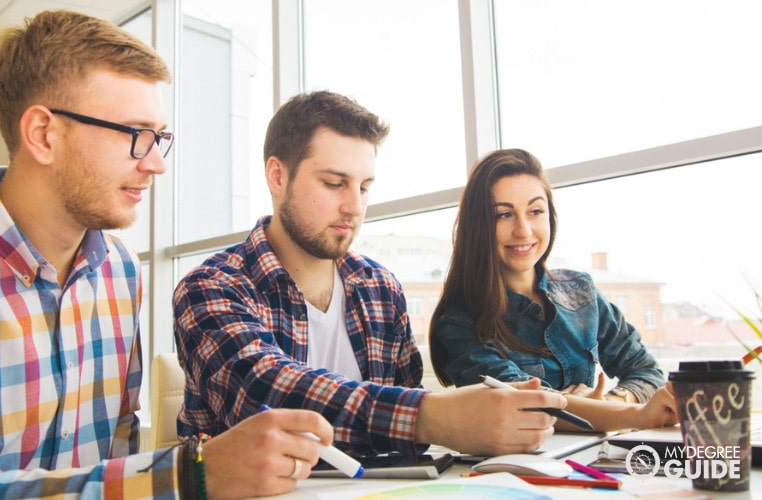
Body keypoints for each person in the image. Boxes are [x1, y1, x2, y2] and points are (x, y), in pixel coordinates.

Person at [0, 9, 332, 499]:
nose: (155, 164)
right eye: (136, 135)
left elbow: (116, 456)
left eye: (159, 139)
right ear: (44, 135)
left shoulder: (120, 271)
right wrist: (189, 474)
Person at [173, 91, 568, 458]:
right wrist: (437, 417)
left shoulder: (380, 288)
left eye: (364, 187)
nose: (354, 206)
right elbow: (264, 393)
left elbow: (407, 442)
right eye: (333, 183)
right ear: (277, 176)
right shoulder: (211, 287)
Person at [429, 148, 679, 432]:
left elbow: (645, 370)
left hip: (600, 457)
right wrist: (633, 414)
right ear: (478, 226)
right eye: (503, 215)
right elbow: (525, 403)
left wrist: (613, 400)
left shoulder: (581, 290)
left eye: (535, 211)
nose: (523, 230)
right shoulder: (458, 322)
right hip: (519, 468)